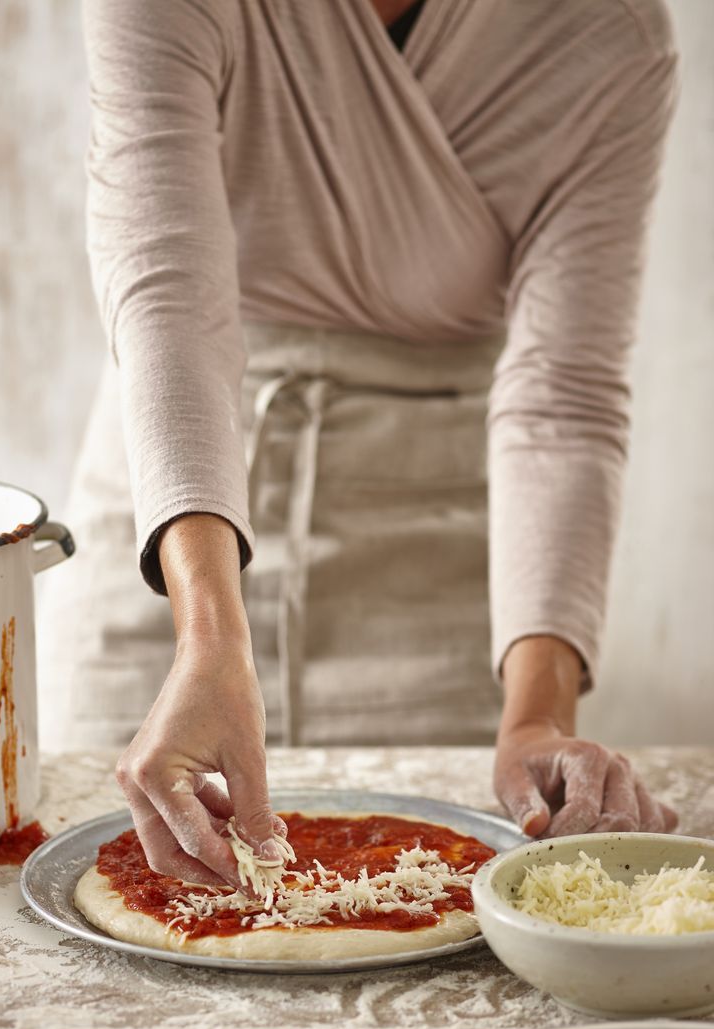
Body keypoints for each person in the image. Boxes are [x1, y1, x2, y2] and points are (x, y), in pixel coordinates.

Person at [41, 0, 679, 887]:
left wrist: (535, 716)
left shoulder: (608, 33)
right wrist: (210, 638)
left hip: (437, 561)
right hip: (175, 529)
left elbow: (559, 400)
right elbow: (170, 301)